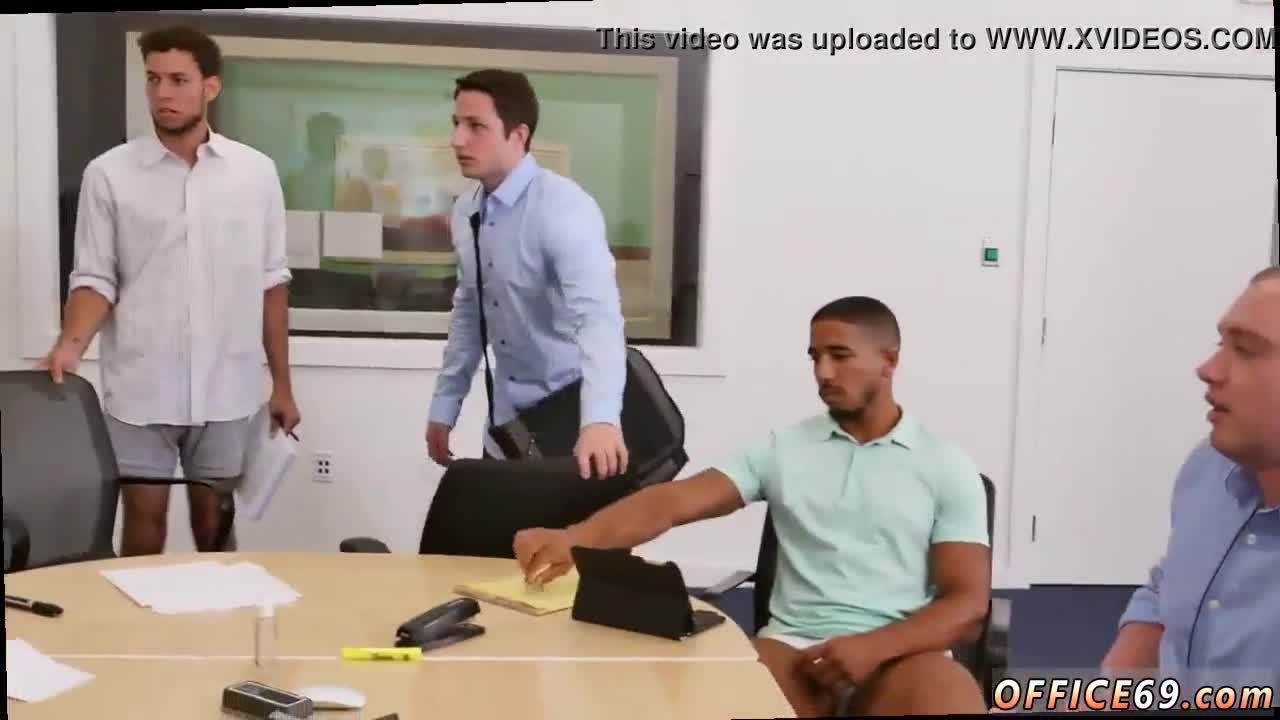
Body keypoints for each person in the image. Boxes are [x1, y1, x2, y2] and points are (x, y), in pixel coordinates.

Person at [513, 296, 992, 716]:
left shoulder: (946, 467)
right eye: (816, 357)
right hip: (795, 647)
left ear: (889, 360)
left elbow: (968, 604)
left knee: (948, 697)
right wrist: (575, 538)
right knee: (714, 698)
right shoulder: (783, 449)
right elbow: (672, 502)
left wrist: (872, 648)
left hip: (901, 654)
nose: (823, 373)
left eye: (840, 356)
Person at [39, 25, 300, 555]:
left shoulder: (255, 174)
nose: (163, 93)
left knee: (216, 523)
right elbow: (95, 278)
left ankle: (222, 611)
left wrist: (283, 386)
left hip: (227, 387)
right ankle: (138, 612)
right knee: (144, 523)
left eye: (179, 80)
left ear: (210, 87)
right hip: (141, 388)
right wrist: (71, 343)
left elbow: (271, 284)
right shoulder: (108, 175)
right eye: (154, 79)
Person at [425, 69, 628, 480]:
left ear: (518, 135)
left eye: (476, 126)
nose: (457, 140)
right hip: (506, 428)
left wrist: (601, 419)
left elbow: (598, 319)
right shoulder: (466, 210)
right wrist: (445, 405)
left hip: (572, 424)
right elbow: (470, 312)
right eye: (456, 124)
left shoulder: (565, 208)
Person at [1101, 267, 1280, 699]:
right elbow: (1168, 587)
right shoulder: (1209, 468)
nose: (1208, 369)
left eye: (1245, 350)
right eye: (1222, 344)